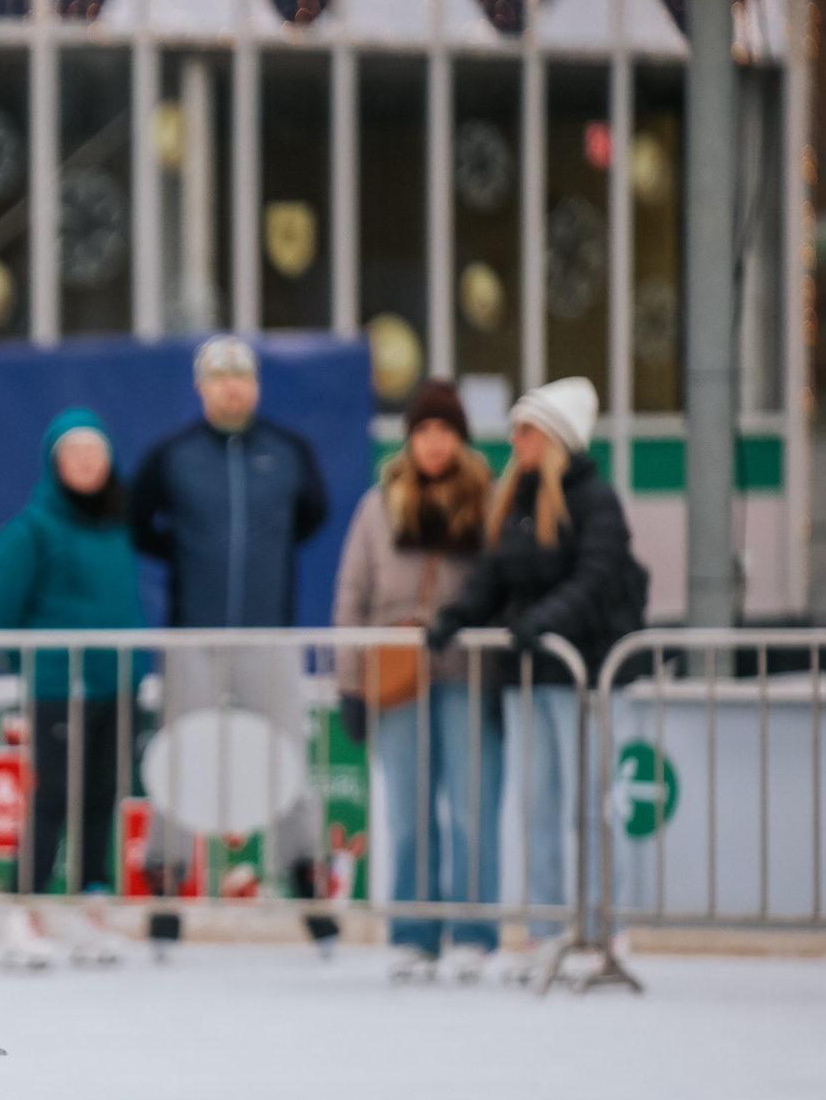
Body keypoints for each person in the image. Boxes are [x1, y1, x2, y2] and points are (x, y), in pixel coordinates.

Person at [427, 376, 642, 971]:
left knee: (591, 806)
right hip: (528, 680)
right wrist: (456, 615)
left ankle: (603, 926)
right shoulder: (516, 500)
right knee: (539, 807)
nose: (514, 440)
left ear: (554, 437)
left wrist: (542, 621)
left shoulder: (596, 501)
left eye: (526, 430)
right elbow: (492, 576)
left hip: (585, 678)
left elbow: (596, 578)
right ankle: (547, 927)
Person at [129, 333, 336, 950]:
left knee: (288, 760)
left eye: (241, 376)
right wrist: (192, 559)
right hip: (193, 637)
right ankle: (166, 885)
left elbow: (312, 515)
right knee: (178, 756)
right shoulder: (173, 455)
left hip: (268, 635)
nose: (231, 387)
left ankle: (308, 884)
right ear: (202, 387)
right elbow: (141, 524)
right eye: (219, 377)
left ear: (256, 385)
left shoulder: (288, 451)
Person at [335, 379, 503, 983]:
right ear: (410, 438)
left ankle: (475, 932)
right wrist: (349, 685)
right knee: (408, 812)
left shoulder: (487, 501)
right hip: (396, 678)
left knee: (471, 807)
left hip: (468, 674)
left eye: (446, 431)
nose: (435, 443)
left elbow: (505, 584)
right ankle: (413, 932)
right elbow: (351, 598)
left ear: (461, 439)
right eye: (425, 431)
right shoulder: (378, 506)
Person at [0, 407, 145, 967]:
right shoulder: (31, 530)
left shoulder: (118, 526)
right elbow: (2, 613)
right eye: (74, 455)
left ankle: (93, 906)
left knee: (102, 797)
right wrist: (36, 669)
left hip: (115, 682)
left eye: (95, 454)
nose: (85, 464)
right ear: (55, 464)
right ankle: (23, 911)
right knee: (53, 797)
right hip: (59, 685)